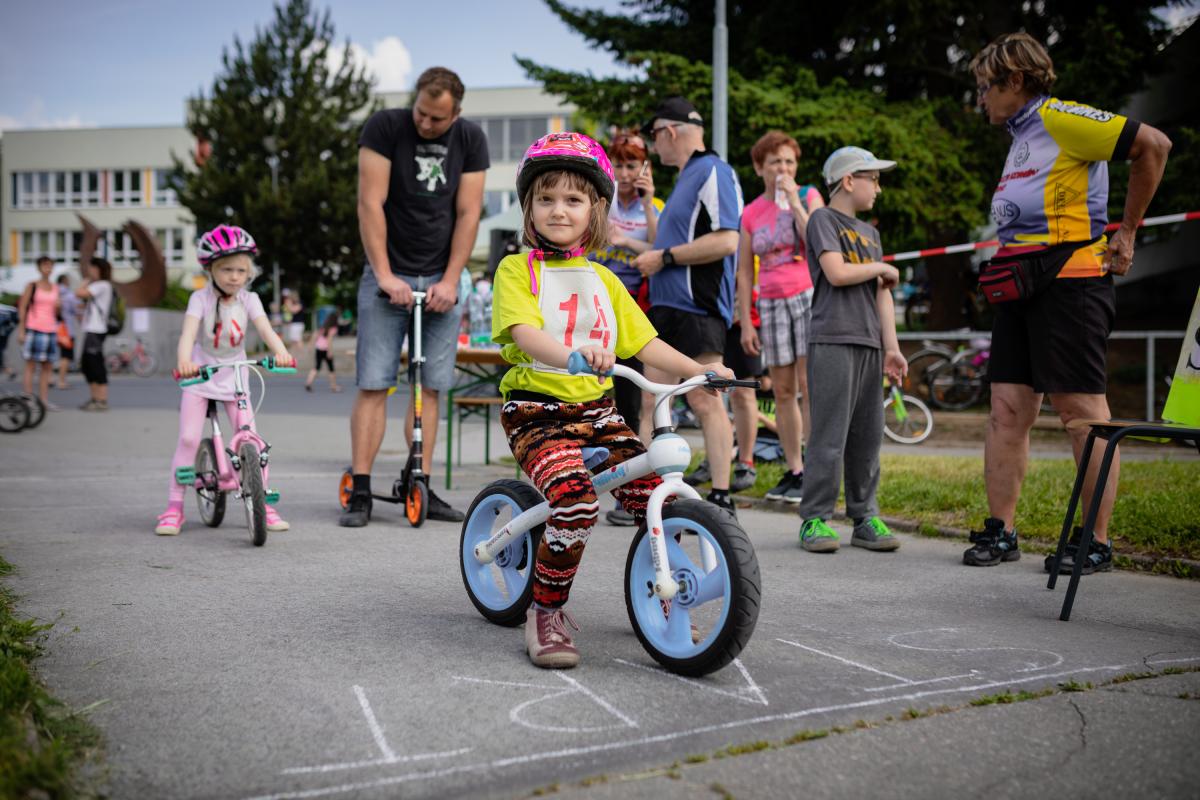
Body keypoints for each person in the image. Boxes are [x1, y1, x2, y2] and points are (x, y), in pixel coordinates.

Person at [493, 131, 733, 669]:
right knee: (576, 500)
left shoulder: (603, 280)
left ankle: (664, 593)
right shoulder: (518, 270)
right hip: (536, 412)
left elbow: (644, 344)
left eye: (573, 199)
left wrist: (701, 371)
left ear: (595, 209)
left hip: (598, 414)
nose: (559, 210)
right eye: (546, 198)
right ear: (529, 208)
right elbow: (525, 334)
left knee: (658, 499)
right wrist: (572, 354)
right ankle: (545, 610)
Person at [965, 33, 1172, 573]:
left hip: (1072, 282)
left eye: (986, 87)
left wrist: (1126, 232)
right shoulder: (1021, 133)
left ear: (1016, 80)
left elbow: (1154, 145)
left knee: (1081, 416)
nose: (980, 98)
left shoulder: (1060, 116)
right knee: (1006, 410)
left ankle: (1095, 541)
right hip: (1019, 284)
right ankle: (1001, 531)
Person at [342, 66, 488, 527]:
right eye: (420, 113)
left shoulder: (470, 139)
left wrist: (451, 280)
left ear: (456, 114)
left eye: (436, 119)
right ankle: (360, 490)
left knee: (431, 385)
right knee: (374, 382)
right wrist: (385, 275)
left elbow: (468, 214)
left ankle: (418, 479)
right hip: (389, 274)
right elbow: (370, 203)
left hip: (441, 279)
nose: (425, 123)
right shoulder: (385, 127)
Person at [632, 97, 744, 516]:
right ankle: (648, 494)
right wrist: (647, 245)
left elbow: (727, 240)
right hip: (666, 308)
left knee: (704, 399)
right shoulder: (685, 178)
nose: (654, 145)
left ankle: (721, 496)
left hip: (698, 307)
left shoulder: (714, 169)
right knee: (652, 400)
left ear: (670, 131)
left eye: (654, 136)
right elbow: (667, 243)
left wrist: (663, 258)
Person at [797, 147, 907, 554]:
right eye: (872, 179)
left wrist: (891, 347)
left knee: (867, 435)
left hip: (868, 344)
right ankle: (815, 518)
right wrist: (880, 267)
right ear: (848, 180)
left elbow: (882, 295)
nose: (878, 188)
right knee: (829, 434)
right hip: (832, 339)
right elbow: (836, 272)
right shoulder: (823, 220)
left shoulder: (870, 235)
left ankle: (864, 516)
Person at [155, 225, 295, 536]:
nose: (234, 276)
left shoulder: (250, 299)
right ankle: (174, 507)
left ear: (249, 272)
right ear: (210, 269)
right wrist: (184, 361)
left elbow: (266, 329)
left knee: (252, 439)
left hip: (235, 374)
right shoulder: (200, 299)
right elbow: (188, 334)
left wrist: (282, 353)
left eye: (241, 270)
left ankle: (263, 501)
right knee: (189, 438)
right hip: (200, 374)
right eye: (226, 269)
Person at [739, 131, 825, 505]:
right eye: (776, 162)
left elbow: (818, 239)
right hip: (771, 303)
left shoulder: (807, 195)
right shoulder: (751, 212)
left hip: (806, 296)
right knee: (784, 390)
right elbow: (745, 271)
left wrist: (793, 200)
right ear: (760, 167)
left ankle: (817, 467)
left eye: (790, 162)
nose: (784, 169)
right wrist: (746, 321)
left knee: (810, 385)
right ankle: (795, 469)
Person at [587, 129, 663, 526]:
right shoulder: (604, 199)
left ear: (645, 167)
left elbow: (660, 249)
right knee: (590, 392)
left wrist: (643, 212)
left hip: (633, 305)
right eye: (618, 164)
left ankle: (630, 488)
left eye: (632, 164)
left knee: (632, 401)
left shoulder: (655, 206)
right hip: (593, 301)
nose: (625, 172)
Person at [17, 256, 61, 412]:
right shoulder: (32, 286)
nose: (48, 268)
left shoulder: (55, 288)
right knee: (30, 365)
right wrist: (21, 330)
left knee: (47, 367)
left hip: (50, 329)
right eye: (45, 265)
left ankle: (43, 401)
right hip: (34, 328)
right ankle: (28, 400)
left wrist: (58, 307)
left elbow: (57, 313)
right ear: (39, 268)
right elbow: (23, 307)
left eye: (50, 265)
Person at [76, 257, 114, 411]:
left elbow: (79, 293)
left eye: (92, 268)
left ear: (99, 269)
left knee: (95, 364)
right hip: (92, 330)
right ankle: (95, 398)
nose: (90, 271)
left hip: (96, 331)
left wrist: (85, 281)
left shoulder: (102, 285)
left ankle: (101, 400)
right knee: (88, 365)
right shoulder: (100, 286)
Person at [305, 311, 342, 393]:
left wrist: (310, 345)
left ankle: (308, 382)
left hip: (318, 349)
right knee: (331, 369)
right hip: (325, 349)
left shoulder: (323, 327)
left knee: (317, 367)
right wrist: (330, 351)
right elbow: (329, 340)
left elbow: (315, 335)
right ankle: (334, 386)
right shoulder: (333, 328)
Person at [56, 273, 81, 389]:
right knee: (65, 356)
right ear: (65, 281)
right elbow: (77, 310)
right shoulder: (69, 295)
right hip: (66, 330)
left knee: (50, 357)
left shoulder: (53, 292)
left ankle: (49, 378)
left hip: (52, 329)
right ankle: (62, 381)